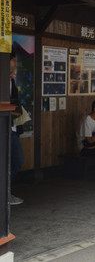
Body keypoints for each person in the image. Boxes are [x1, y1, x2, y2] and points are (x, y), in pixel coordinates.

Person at [9, 52, 25, 205]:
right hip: (5, 127)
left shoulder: (11, 82)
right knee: (15, 160)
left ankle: (5, 192)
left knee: (16, 161)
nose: (13, 73)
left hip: (12, 127)